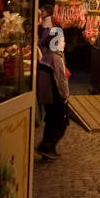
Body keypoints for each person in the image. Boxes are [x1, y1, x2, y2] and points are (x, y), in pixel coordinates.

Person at [35, 28, 70, 161]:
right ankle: (47, 146)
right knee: (62, 122)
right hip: (56, 96)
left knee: (51, 121)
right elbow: (61, 80)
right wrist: (65, 95)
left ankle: (48, 148)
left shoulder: (46, 56)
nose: (64, 43)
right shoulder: (56, 59)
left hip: (47, 97)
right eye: (62, 40)